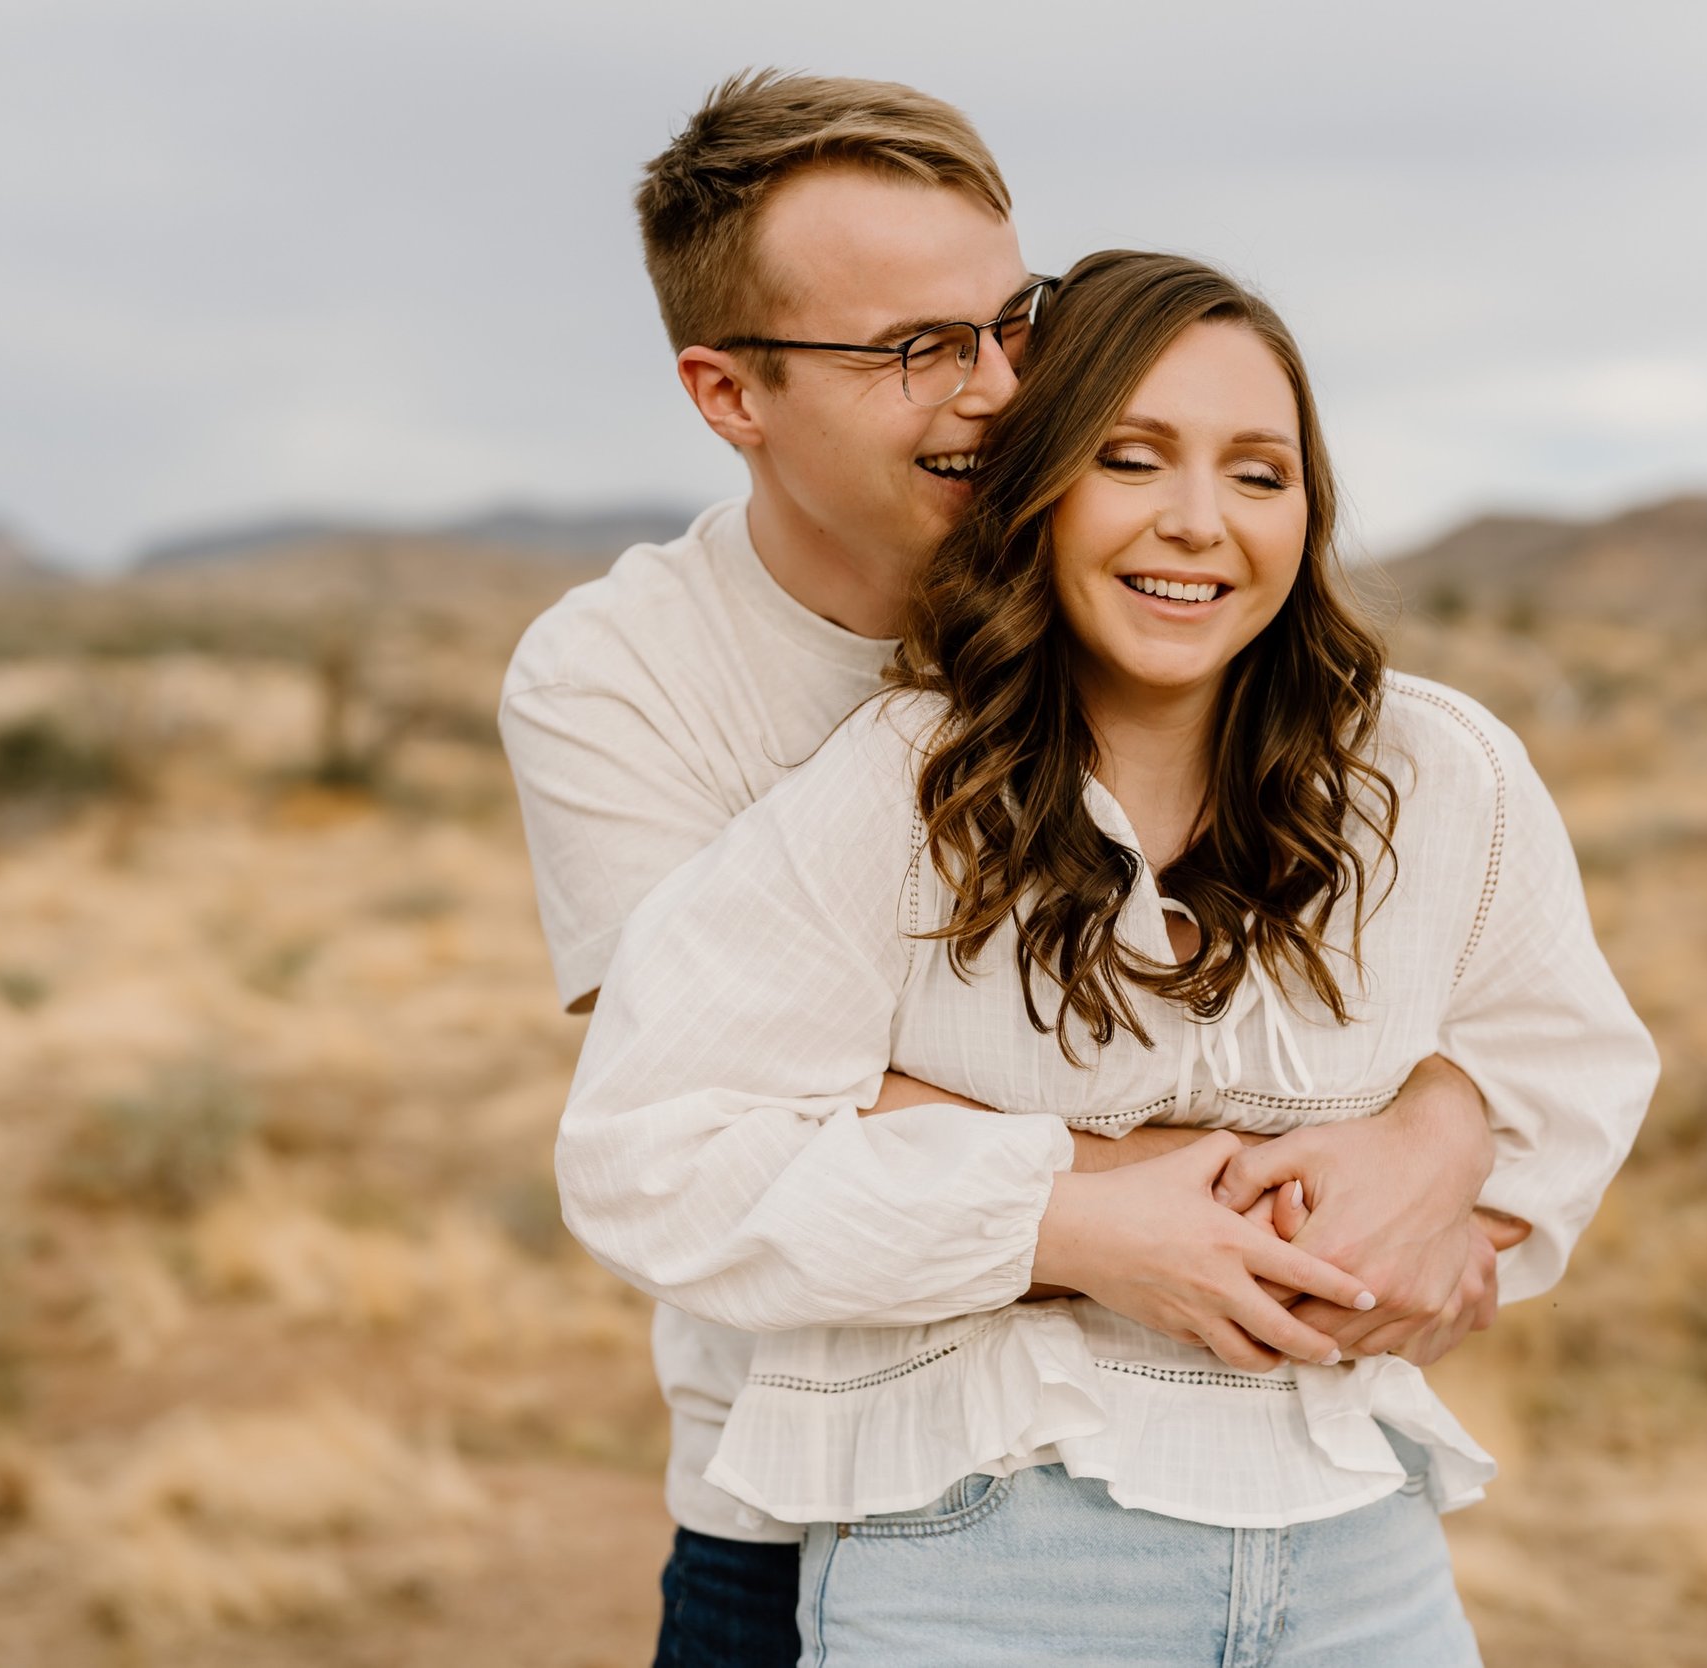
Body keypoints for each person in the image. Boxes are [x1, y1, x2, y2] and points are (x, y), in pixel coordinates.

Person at [503, 73, 1535, 1668]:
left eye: (1013, 323)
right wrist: (1305, 1189)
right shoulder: (621, 676)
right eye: (915, 348)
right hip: (810, 1504)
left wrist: (1449, 1126)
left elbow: (1474, 992)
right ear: (729, 393)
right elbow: (726, 1104)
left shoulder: (1159, 626)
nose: (994, 390)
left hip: (1296, 1503)